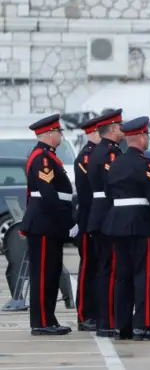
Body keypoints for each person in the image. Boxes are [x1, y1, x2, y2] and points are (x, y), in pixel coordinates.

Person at [105, 116, 150, 341]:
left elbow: (108, 191)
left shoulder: (116, 163)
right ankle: (144, 325)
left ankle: (121, 326)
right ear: (141, 137)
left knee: (122, 277)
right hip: (141, 223)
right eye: (147, 135)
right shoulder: (146, 164)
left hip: (117, 222)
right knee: (144, 275)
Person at [22, 114, 76, 336]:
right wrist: (67, 221)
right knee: (44, 274)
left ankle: (48, 319)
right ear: (49, 134)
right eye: (58, 132)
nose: (61, 135)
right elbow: (48, 194)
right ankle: (42, 322)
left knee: (51, 272)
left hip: (49, 223)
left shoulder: (48, 156)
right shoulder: (42, 159)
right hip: (45, 223)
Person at [86, 109, 124, 338]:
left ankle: (106, 319)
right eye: (119, 127)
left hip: (101, 213)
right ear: (111, 129)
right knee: (109, 270)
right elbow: (113, 183)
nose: (122, 130)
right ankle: (107, 320)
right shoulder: (108, 153)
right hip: (106, 213)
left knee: (106, 268)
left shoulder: (102, 151)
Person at [73, 116, 101, 331]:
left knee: (100, 267)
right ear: (93, 133)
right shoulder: (86, 158)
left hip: (98, 219)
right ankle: (84, 314)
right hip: (88, 218)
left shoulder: (100, 155)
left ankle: (98, 311)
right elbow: (89, 195)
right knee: (88, 267)